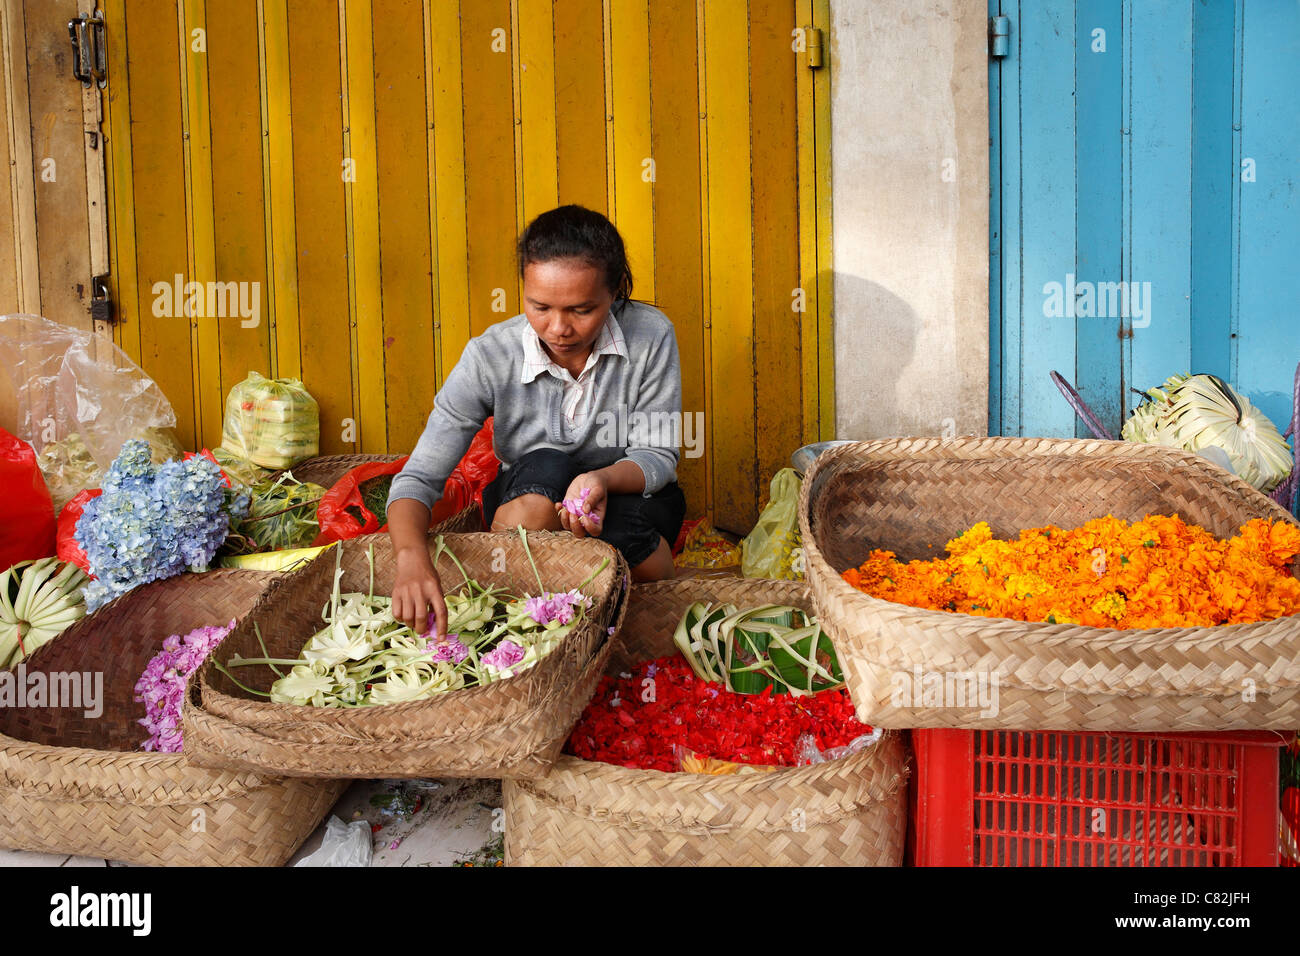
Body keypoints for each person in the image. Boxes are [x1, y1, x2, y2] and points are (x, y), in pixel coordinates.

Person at [386, 205, 686, 638]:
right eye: (540, 306)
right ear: (523, 289)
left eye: (582, 310)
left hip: (627, 499)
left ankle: (600, 572)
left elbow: (657, 456)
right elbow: (419, 478)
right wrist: (411, 558)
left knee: (631, 541)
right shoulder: (490, 356)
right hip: (531, 500)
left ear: (616, 292)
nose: (559, 328)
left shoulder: (650, 334)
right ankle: (593, 568)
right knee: (547, 465)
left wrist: (600, 479)